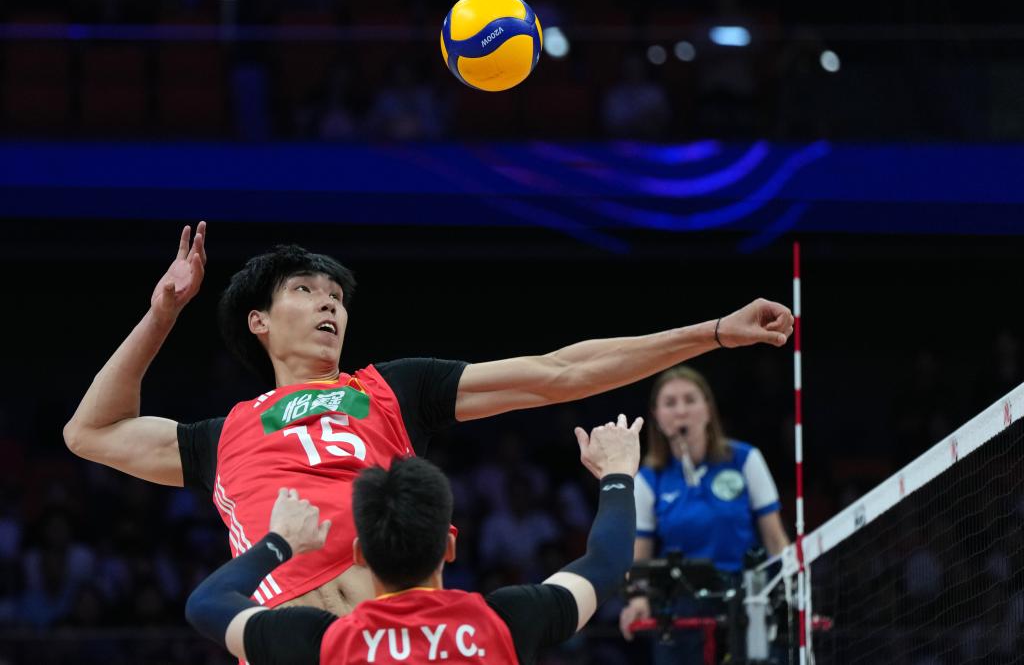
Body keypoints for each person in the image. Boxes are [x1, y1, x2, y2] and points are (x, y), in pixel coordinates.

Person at [63, 222, 794, 615]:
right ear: (258, 321)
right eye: (306, 291)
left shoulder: (391, 389)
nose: (329, 303)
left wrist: (714, 332)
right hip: (294, 639)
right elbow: (89, 432)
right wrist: (164, 312)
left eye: (336, 296)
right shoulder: (221, 436)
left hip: (407, 635)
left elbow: (559, 372)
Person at [185, 414, 643, 665]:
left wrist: (279, 543)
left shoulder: (323, 641)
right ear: (449, 545)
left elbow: (205, 604)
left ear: (361, 553)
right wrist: (618, 473)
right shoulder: (506, 620)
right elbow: (607, 562)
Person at [618, 366, 789, 663]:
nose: (681, 411)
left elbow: (775, 539)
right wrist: (638, 598)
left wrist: (793, 591)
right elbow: (639, 554)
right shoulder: (648, 479)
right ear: (656, 416)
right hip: (682, 606)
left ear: (708, 409)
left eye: (690, 399)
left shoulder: (745, 459)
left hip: (746, 598)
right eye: (670, 403)